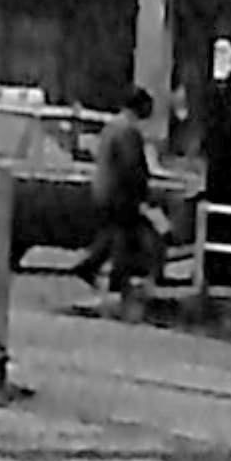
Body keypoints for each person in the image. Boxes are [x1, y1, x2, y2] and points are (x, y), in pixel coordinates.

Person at [71, 84, 158, 311]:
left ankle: (92, 266)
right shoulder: (128, 130)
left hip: (104, 189)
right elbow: (131, 166)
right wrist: (142, 192)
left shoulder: (112, 126)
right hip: (120, 193)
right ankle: (115, 281)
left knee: (114, 234)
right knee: (124, 236)